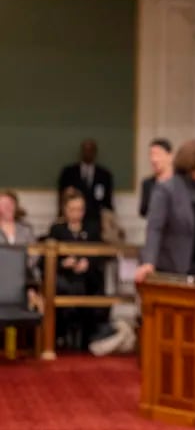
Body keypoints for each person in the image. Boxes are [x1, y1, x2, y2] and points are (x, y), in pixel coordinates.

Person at [136, 139, 195, 282]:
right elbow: (155, 228)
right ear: (192, 163)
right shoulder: (166, 189)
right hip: (174, 269)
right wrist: (149, 262)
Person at [48, 188, 105, 348]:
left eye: (80, 209)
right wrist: (64, 263)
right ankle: (63, 335)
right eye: (72, 209)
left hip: (88, 277)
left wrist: (87, 263)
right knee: (66, 287)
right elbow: (47, 259)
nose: (76, 213)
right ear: (65, 210)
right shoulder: (57, 229)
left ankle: (88, 338)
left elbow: (101, 253)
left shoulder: (92, 228)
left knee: (91, 286)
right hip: (65, 278)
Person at [57, 138, 113, 227]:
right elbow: (61, 197)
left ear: (95, 153)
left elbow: (108, 202)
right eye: (86, 150)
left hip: (96, 221)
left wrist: (110, 221)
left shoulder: (104, 175)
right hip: (71, 220)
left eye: (91, 150)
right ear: (81, 151)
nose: (88, 153)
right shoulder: (69, 173)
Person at [139, 138, 173, 218]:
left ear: (170, 156)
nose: (154, 159)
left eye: (158, 154)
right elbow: (143, 211)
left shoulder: (180, 181)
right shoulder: (147, 183)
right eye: (151, 155)